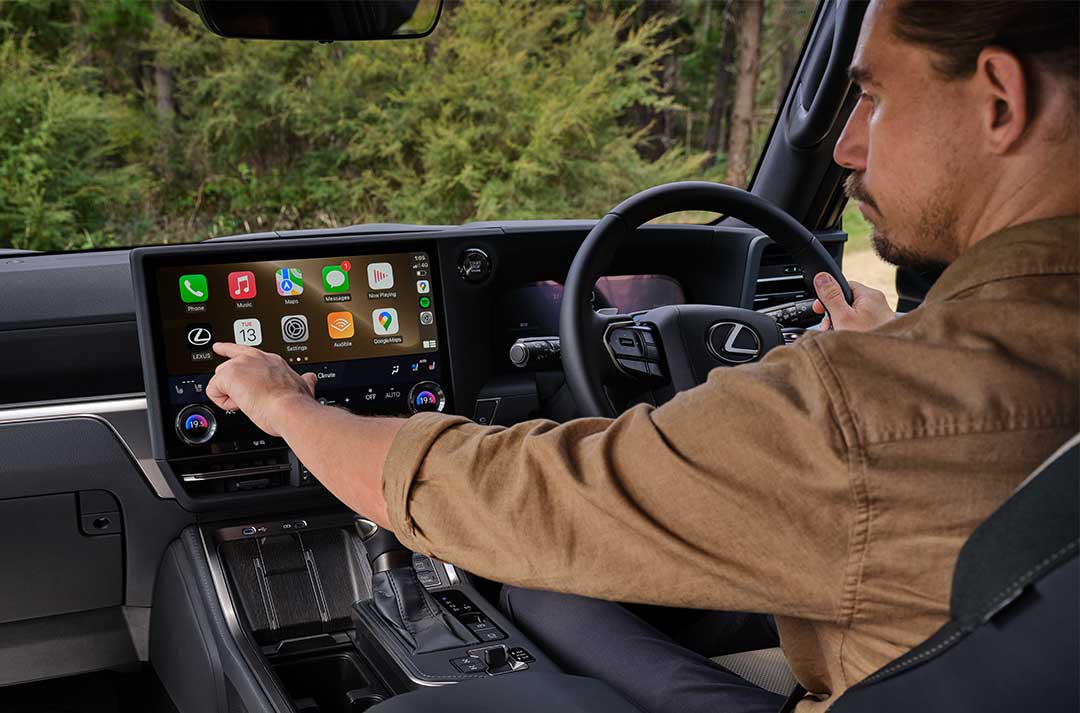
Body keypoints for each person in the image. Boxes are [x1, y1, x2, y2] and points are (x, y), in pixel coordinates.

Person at [205, 2, 1079, 711]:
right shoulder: (943, 376)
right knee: (544, 596)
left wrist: (288, 406)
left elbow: (517, 494)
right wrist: (899, 353)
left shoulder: (864, 412)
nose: (849, 145)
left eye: (876, 99)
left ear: (999, 99)